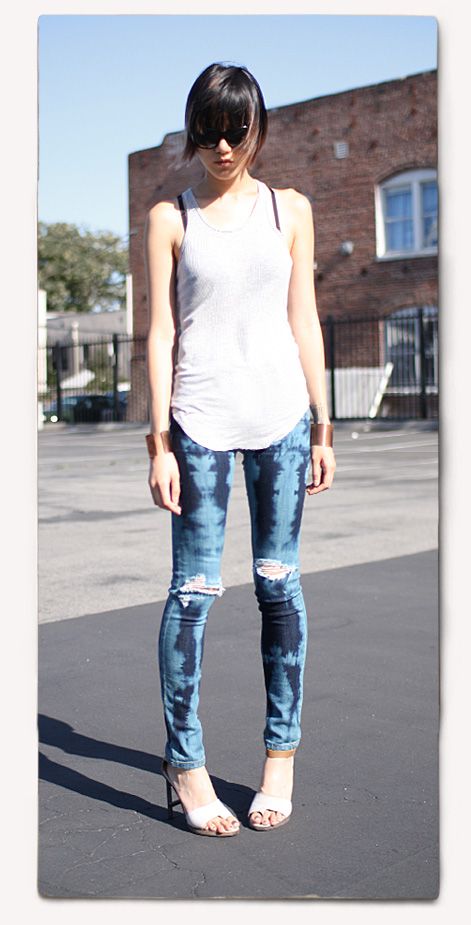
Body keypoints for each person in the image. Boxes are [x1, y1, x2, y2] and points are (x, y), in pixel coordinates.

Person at [144, 62, 336, 837]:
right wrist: (157, 440)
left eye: (236, 131)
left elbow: (306, 318)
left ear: (257, 128)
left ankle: (278, 757)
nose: (222, 147)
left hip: (281, 420)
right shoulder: (170, 216)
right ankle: (185, 764)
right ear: (194, 132)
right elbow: (158, 333)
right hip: (196, 421)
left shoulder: (290, 210)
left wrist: (324, 424)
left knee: (277, 585)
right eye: (207, 132)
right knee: (193, 592)